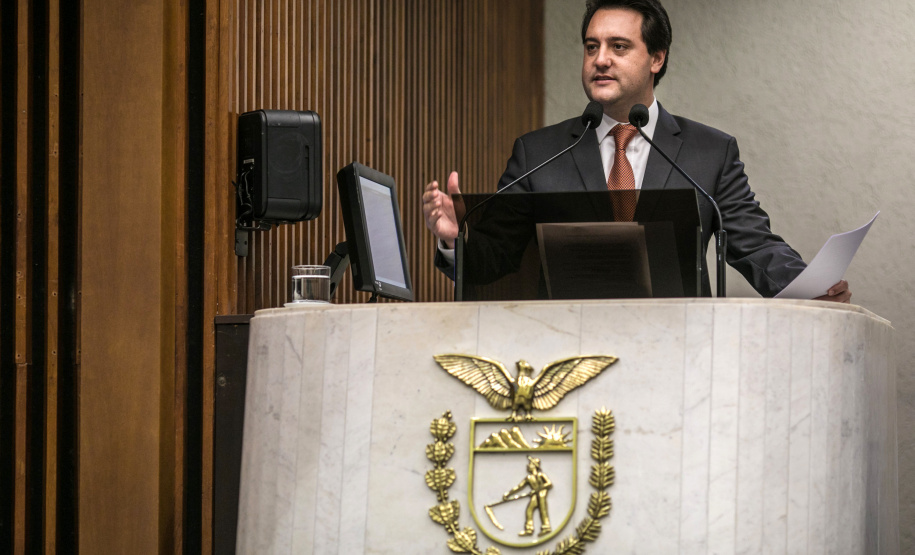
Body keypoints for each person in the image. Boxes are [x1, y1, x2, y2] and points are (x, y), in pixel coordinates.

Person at [422, 0, 851, 302]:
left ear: (656, 58)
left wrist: (809, 285)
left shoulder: (710, 152)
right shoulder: (538, 152)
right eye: (592, 47)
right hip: (568, 352)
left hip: (681, 354)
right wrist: (455, 240)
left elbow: (754, 245)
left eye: (619, 46)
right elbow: (494, 260)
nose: (600, 59)